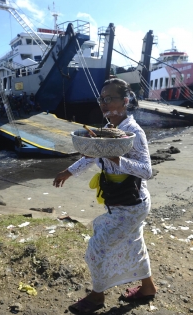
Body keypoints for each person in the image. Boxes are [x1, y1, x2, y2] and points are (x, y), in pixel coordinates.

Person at [53, 78, 156, 314]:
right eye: (101, 99)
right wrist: (67, 172)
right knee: (135, 245)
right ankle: (148, 288)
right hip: (118, 200)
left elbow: (147, 171)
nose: (104, 103)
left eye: (109, 98)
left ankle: (97, 296)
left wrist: (116, 157)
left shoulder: (133, 133)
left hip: (132, 203)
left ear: (125, 101)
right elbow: (91, 155)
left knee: (96, 249)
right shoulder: (108, 129)